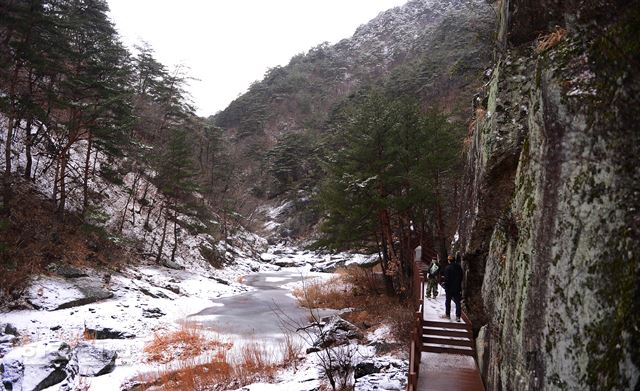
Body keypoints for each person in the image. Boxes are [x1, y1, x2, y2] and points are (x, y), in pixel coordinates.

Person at [441, 255, 463, 322]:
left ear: (449, 260)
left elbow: (447, 279)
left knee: (448, 301)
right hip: (457, 287)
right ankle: (458, 316)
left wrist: (445, 286)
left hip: (449, 288)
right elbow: (461, 277)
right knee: (457, 302)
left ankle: (448, 314)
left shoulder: (448, 268)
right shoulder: (459, 267)